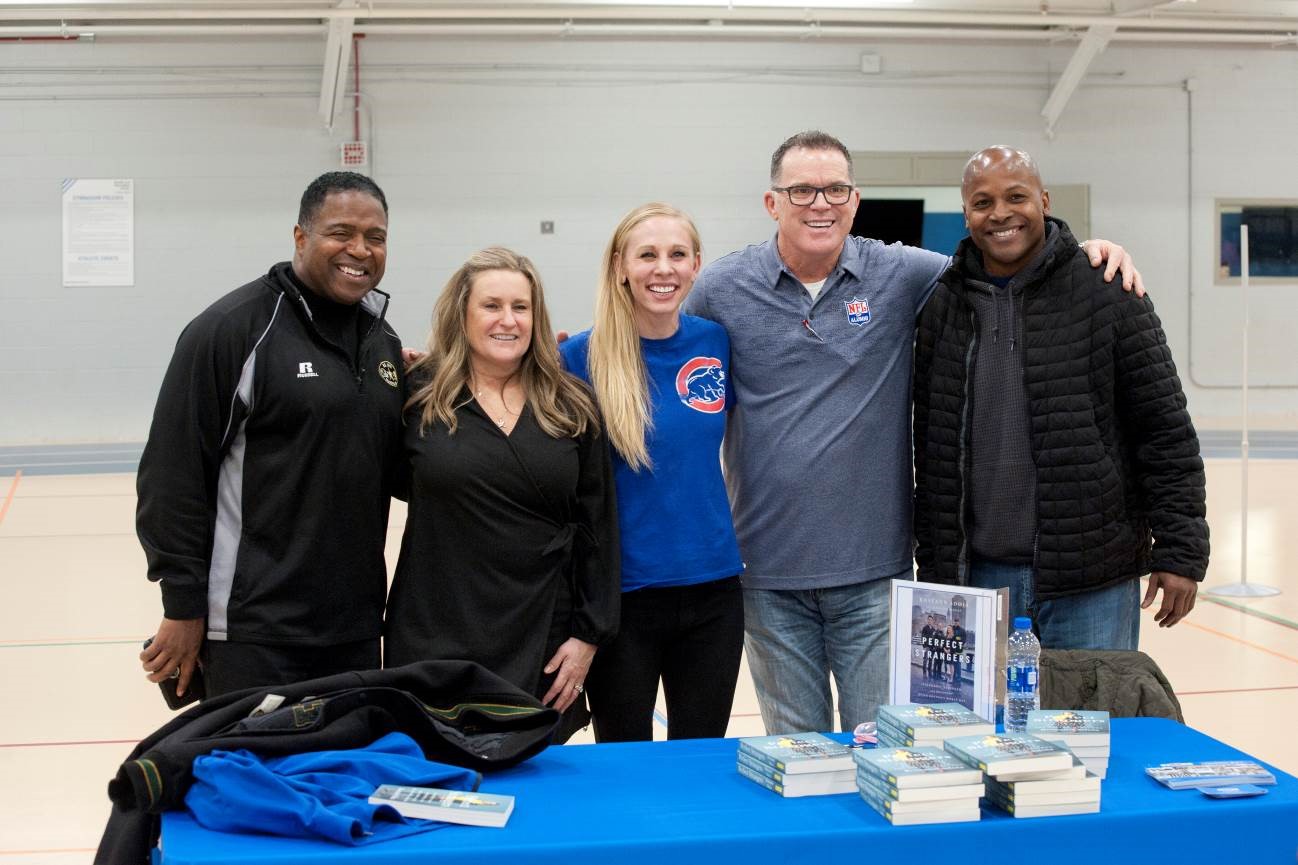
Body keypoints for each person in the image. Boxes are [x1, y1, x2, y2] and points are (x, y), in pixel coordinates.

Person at [684, 129, 1141, 735]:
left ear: (855, 199)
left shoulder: (903, 274)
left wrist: (1087, 251)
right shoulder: (720, 289)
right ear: (773, 203)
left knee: (881, 743)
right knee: (796, 753)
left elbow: (1007, 253)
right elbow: (663, 353)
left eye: (835, 189)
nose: (820, 203)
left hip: (878, 577)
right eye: (801, 191)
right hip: (767, 574)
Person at [912, 145, 1209, 649]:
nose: (1001, 213)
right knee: (979, 730)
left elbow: (1164, 432)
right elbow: (931, 447)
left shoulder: (1108, 290)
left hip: (1091, 580)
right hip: (974, 582)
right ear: (966, 215)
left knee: (1088, 727)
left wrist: (1180, 552)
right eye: (982, 202)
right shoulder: (940, 304)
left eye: (1016, 196)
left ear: (1044, 201)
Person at [136, 171, 405, 699]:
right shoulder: (232, 330)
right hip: (252, 632)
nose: (360, 249)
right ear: (301, 236)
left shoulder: (383, 343)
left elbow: (399, 468)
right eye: (341, 232)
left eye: (376, 237)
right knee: (251, 781)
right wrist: (184, 606)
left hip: (353, 628)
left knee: (344, 779)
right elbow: (173, 475)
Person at [384, 247, 619, 740]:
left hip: (542, 631)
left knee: (539, 788)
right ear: (462, 315)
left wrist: (586, 636)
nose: (507, 320)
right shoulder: (416, 396)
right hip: (436, 627)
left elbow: (600, 526)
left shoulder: (571, 403)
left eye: (521, 307)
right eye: (491, 306)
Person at [559, 203, 745, 742]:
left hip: (714, 588)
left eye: (677, 255)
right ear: (620, 266)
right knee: (626, 763)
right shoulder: (578, 358)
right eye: (647, 255)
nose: (663, 268)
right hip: (623, 599)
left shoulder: (715, 342)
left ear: (695, 266)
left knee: (700, 758)